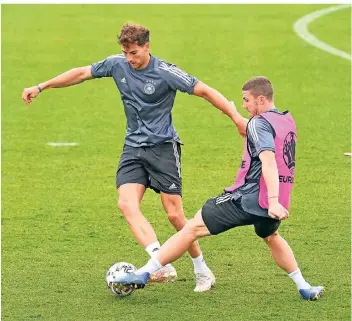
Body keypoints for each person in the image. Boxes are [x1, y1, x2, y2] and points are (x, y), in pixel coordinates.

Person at [21, 23, 247, 292]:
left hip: (163, 147)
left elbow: (205, 91)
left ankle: (202, 269)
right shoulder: (117, 65)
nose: (129, 58)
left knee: (175, 216)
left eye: (134, 53)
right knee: (126, 204)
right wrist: (41, 86)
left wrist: (236, 118)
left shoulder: (165, 72)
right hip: (133, 148)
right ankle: (159, 262)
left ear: (147, 47)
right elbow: (81, 73)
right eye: (126, 52)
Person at [114, 76, 325, 301]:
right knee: (271, 235)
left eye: (246, 100)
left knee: (191, 228)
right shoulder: (285, 120)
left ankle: (144, 273)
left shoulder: (258, 124)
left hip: (249, 198)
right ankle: (304, 286)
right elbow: (259, 135)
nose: (243, 105)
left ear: (261, 99)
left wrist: (271, 199)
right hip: (276, 202)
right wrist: (233, 115)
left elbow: (268, 160)